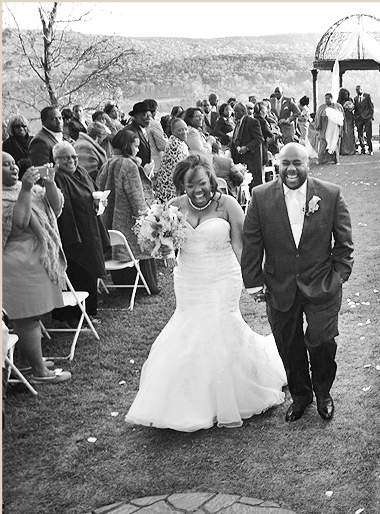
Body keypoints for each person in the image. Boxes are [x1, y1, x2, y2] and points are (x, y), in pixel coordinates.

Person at [126, 155, 287, 432]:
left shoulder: (228, 206)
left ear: (211, 179)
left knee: (220, 326)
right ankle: (188, 397)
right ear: (182, 186)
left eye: (201, 183)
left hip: (223, 277)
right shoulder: (173, 208)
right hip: (189, 278)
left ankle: (230, 392)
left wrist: (254, 282)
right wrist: (164, 247)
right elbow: (167, 246)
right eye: (190, 185)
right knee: (189, 327)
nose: (197, 190)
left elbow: (241, 248)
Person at [241, 143, 354, 422]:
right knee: (288, 345)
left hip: (322, 285)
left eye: (297, 163)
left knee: (323, 342)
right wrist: (254, 282)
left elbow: (344, 243)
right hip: (280, 286)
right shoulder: (260, 196)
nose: (291, 169)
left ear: (308, 164)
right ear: (278, 164)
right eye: (285, 163)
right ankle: (300, 396)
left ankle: (323, 393)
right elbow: (252, 242)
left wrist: (339, 275)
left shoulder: (330, 194)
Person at [2, 152, 71, 384]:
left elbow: (57, 207)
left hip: (38, 259)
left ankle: (29, 360)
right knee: (27, 318)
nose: (12, 168)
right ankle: (40, 371)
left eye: (13, 163)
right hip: (17, 264)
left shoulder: (29, 188)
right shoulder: (6, 195)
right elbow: (18, 223)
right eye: (5, 165)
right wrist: (25, 191)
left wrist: (50, 182)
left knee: (34, 315)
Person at [97, 128, 160, 295]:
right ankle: (147, 285)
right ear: (127, 145)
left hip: (111, 220)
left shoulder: (108, 163)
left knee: (120, 250)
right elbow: (135, 195)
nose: (137, 149)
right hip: (129, 219)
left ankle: (123, 285)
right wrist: (145, 216)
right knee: (142, 248)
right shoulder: (129, 165)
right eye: (136, 146)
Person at [50, 142, 108, 324]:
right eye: (66, 157)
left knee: (89, 272)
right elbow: (61, 207)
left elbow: (93, 190)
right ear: (56, 160)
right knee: (76, 271)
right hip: (72, 232)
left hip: (89, 228)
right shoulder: (58, 177)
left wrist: (98, 201)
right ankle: (72, 316)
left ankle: (88, 312)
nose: (71, 160)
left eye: (74, 156)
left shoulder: (81, 172)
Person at [154, 118, 190, 203]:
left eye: (185, 129)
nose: (184, 132)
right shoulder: (175, 145)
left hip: (168, 190)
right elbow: (182, 170)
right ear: (173, 131)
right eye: (180, 130)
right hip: (170, 193)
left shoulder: (177, 140)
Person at [231, 102, 264, 188]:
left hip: (251, 159)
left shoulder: (252, 122)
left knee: (254, 186)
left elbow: (259, 139)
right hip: (240, 159)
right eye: (234, 111)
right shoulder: (238, 123)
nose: (234, 114)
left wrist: (247, 147)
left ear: (243, 111)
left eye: (237, 111)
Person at [314, 93, 343, 165]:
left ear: (331, 98)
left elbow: (341, 118)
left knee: (334, 144)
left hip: (334, 129)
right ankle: (320, 159)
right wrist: (318, 126)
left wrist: (340, 130)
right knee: (323, 144)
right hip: (324, 129)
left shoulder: (337, 106)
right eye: (325, 99)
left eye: (328, 99)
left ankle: (336, 160)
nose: (326, 100)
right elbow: (317, 117)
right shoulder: (322, 107)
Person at [353, 85, 374, 155]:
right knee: (360, 134)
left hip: (367, 117)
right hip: (359, 118)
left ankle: (370, 149)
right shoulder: (355, 99)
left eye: (358, 90)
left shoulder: (367, 96)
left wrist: (371, 116)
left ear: (362, 89)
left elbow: (371, 106)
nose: (357, 92)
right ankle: (363, 148)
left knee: (369, 134)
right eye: (356, 90)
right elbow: (355, 109)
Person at [337, 88, 356, 156]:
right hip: (343, 118)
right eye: (345, 94)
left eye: (347, 94)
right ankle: (344, 150)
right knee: (344, 134)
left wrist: (351, 107)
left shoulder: (350, 99)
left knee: (350, 134)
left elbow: (354, 107)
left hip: (350, 117)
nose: (347, 96)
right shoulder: (339, 102)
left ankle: (351, 149)